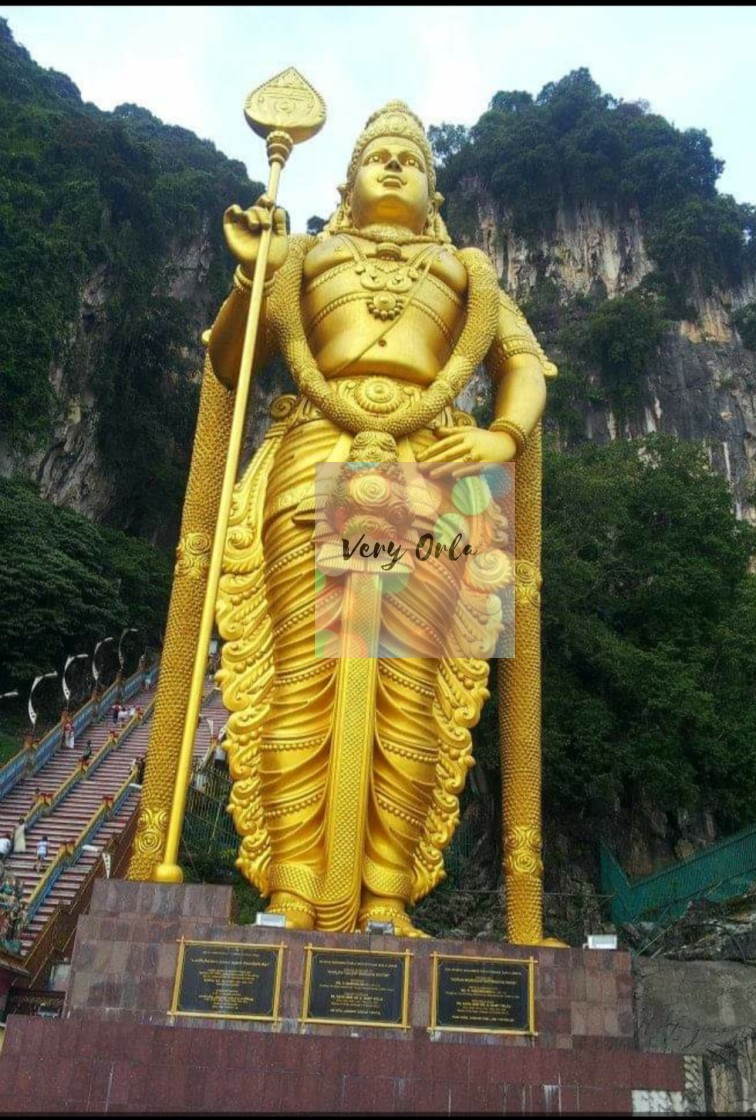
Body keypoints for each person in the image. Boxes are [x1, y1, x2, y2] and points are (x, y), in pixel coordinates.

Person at [130, 101, 554, 945]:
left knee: (412, 688)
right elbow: (230, 360)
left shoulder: (467, 274)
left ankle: (387, 900)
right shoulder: (302, 254)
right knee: (306, 674)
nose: (394, 165)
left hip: (438, 465)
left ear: (433, 188)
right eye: (378, 156)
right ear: (348, 181)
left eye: (411, 158)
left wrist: (499, 435)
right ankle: (293, 890)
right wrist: (249, 278)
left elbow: (526, 367)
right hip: (315, 454)